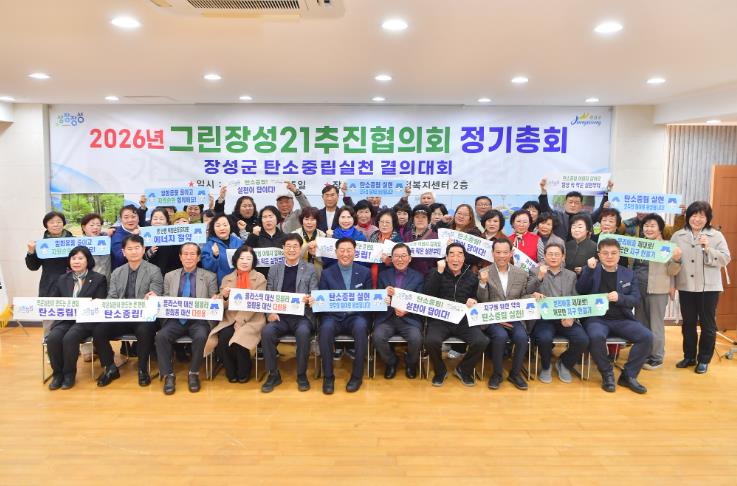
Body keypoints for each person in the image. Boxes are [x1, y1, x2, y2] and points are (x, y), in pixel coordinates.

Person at [576, 239, 653, 394]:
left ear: (619, 255)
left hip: (622, 318)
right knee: (596, 336)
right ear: (599, 255)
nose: (609, 256)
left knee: (646, 336)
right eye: (605, 253)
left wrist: (620, 298)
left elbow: (636, 300)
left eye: (613, 253)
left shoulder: (628, 273)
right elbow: (580, 290)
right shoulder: (590, 269)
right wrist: (589, 270)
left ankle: (629, 375)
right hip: (597, 319)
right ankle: (607, 373)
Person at [93, 234, 163, 387]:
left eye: (137, 248)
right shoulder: (117, 272)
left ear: (143, 249)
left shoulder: (154, 270)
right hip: (121, 316)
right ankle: (110, 368)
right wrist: (103, 304)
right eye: (129, 249)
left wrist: (153, 297)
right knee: (98, 331)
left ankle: (142, 369)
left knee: (145, 330)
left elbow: (156, 292)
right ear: (123, 252)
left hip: (143, 317)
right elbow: (112, 297)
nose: (134, 251)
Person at [670, 201, 731, 374]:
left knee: (708, 325)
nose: (697, 219)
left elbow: (726, 258)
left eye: (701, 216)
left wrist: (708, 249)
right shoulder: (677, 236)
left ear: (708, 218)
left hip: (709, 288)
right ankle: (689, 356)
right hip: (686, 286)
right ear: (688, 217)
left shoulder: (716, 236)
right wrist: (672, 284)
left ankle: (704, 359)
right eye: (694, 215)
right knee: (688, 323)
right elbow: (671, 262)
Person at [155, 243, 218, 395]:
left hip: (199, 320)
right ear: (180, 257)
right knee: (161, 336)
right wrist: (156, 299)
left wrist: (216, 299)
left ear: (198, 258)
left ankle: (193, 373)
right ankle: (169, 375)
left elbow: (214, 299)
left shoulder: (209, 276)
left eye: (192, 254)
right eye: (185, 254)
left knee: (201, 336)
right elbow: (166, 299)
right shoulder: (170, 276)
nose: (189, 257)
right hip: (176, 319)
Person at [423, 243, 489, 386]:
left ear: (464, 258)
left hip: (463, 320)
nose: (455, 258)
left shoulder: (471, 276)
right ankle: (440, 371)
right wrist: (439, 273)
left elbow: (477, 297)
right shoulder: (436, 272)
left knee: (481, 341)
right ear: (446, 258)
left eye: (460, 254)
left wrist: (474, 300)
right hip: (440, 319)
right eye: (452, 254)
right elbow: (428, 295)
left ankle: (463, 370)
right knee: (431, 341)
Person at [260, 234, 319, 393]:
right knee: (266, 332)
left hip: (302, 316)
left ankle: (301, 374)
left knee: (303, 333)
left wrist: (310, 299)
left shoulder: (310, 268)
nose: (291, 250)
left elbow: (315, 293)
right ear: (283, 248)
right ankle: (273, 374)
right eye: (288, 246)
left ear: (300, 249)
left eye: (295, 246)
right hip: (280, 316)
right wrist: (270, 313)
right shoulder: (274, 269)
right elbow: (269, 294)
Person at [478, 237, 537, 390]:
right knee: (500, 336)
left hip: (514, 317)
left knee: (522, 337)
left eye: (505, 252)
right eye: (498, 252)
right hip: (493, 319)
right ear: (492, 253)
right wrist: (483, 283)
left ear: (511, 253)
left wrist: (532, 296)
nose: (501, 256)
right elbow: (482, 301)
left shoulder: (521, 273)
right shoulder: (484, 272)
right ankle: (497, 374)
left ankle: (515, 374)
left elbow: (523, 296)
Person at [45, 246, 108, 390]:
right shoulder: (62, 279)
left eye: (80, 258)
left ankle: (69, 374)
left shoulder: (98, 279)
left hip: (85, 321)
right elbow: (54, 301)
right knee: (53, 338)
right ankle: (57, 374)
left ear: (88, 260)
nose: (76, 261)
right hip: (65, 320)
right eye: (73, 258)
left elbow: (100, 302)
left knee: (70, 338)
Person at [317, 237, 373, 394]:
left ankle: (357, 376)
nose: (345, 254)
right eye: (342, 250)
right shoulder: (327, 273)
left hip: (356, 316)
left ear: (355, 252)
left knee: (361, 327)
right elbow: (322, 299)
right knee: (325, 329)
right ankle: (328, 376)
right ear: (336, 252)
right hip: (333, 316)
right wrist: (316, 301)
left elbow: (370, 299)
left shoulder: (365, 272)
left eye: (349, 250)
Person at [205, 246, 267, 383]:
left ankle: (244, 370)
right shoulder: (227, 278)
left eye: (248, 259)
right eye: (241, 258)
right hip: (230, 318)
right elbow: (222, 305)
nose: (245, 261)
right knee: (224, 337)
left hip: (253, 318)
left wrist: (240, 321)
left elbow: (255, 303)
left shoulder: (260, 278)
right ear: (236, 260)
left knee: (239, 338)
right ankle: (231, 370)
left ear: (253, 262)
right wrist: (224, 297)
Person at [530, 242, 589, 384]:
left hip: (565, 317)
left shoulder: (571, 275)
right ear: (544, 256)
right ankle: (546, 366)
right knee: (544, 338)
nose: (553, 257)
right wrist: (539, 278)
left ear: (563, 257)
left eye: (557, 254)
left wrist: (572, 316)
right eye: (550, 254)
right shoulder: (535, 271)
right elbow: (527, 291)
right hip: (543, 318)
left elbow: (575, 299)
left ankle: (564, 363)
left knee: (583, 339)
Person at [631, 214, 683, 371]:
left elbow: (672, 271)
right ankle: (644, 353)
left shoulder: (667, 246)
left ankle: (657, 357)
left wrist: (677, 259)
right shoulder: (638, 245)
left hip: (657, 290)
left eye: (652, 226)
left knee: (656, 325)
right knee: (641, 324)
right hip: (638, 289)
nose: (648, 229)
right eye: (646, 226)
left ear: (660, 229)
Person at [375, 243, 424, 379]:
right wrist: (384, 293)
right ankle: (391, 362)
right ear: (392, 258)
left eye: (403, 256)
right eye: (396, 256)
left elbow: (420, 300)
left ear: (410, 258)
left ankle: (411, 363)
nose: (400, 259)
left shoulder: (418, 277)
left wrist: (406, 311)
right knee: (377, 336)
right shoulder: (383, 275)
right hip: (387, 317)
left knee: (416, 338)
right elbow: (376, 299)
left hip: (409, 319)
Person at [538, 178, 612, 240]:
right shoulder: (557, 216)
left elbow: (600, 210)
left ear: (581, 205)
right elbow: (545, 208)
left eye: (576, 203)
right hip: (560, 250)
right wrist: (543, 192)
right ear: (565, 204)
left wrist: (607, 192)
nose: (573, 205)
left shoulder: (587, 217)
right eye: (570, 202)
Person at [26, 211, 73, 301]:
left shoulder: (74, 242)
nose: (56, 225)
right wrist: (31, 252)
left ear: (63, 224)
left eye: (59, 222)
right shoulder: (41, 245)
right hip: (49, 286)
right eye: (51, 222)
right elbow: (33, 267)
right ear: (46, 225)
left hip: (71, 284)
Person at [201, 214, 244, 285]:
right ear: (213, 228)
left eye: (225, 225)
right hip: (220, 285)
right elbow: (207, 268)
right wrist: (215, 256)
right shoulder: (209, 244)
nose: (222, 228)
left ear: (230, 226)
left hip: (239, 283)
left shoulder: (239, 242)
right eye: (218, 226)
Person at [246, 205, 286, 278]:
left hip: (281, 277)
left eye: (271, 216)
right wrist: (253, 236)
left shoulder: (285, 237)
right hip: (259, 278)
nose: (268, 220)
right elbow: (244, 252)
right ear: (261, 220)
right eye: (264, 217)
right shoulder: (255, 235)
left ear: (277, 218)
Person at [368, 209, 403, 287]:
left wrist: (389, 262)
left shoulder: (398, 241)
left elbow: (402, 264)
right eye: (382, 222)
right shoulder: (374, 235)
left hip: (388, 279)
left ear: (393, 224)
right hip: (371, 274)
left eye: (387, 222)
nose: (384, 225)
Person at [143, 208, 181, 276]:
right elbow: (141, 259)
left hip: (171, 275)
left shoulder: (175, 237)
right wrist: (149, 253)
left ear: (167, 222)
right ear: (151, 221)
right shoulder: (145, 236)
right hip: (151, 275)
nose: (158, 221)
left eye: (161, 219)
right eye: (155, 219)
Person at [403, 204, 438, 277]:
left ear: (428, 220)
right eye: (417, 217)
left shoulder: (436, 237)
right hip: (409, 276)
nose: (420, 220)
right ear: (413, 219)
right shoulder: (406, 235)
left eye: (424, 217)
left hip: (428, 276)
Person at [292, 207, 326, 279]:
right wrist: (306, 246)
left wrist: (316, 254)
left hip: (318, 274)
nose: (309, 222)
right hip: (298, 274)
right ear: (302, 220)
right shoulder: (294, 235)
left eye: (312, 219)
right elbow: (292, 258)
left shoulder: (323, 236)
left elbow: (326, 261)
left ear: (317, 221)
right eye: (306, 219)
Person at [80, 213, 111, 281]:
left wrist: (113, 228)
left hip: (107, 281)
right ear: (84, 227)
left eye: (98, 225)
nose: (95, 227)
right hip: (88, 282)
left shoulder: (107, 239)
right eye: (92, 225)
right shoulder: (79, 244)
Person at [110, 204, 141, 270]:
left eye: (133, 217)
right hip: (123, 273)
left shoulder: (144, 231)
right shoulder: (116, 236)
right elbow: (120, 257)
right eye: (126, 217)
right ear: (121, 219)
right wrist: (133, 237)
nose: (130, 220)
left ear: (138, 218)